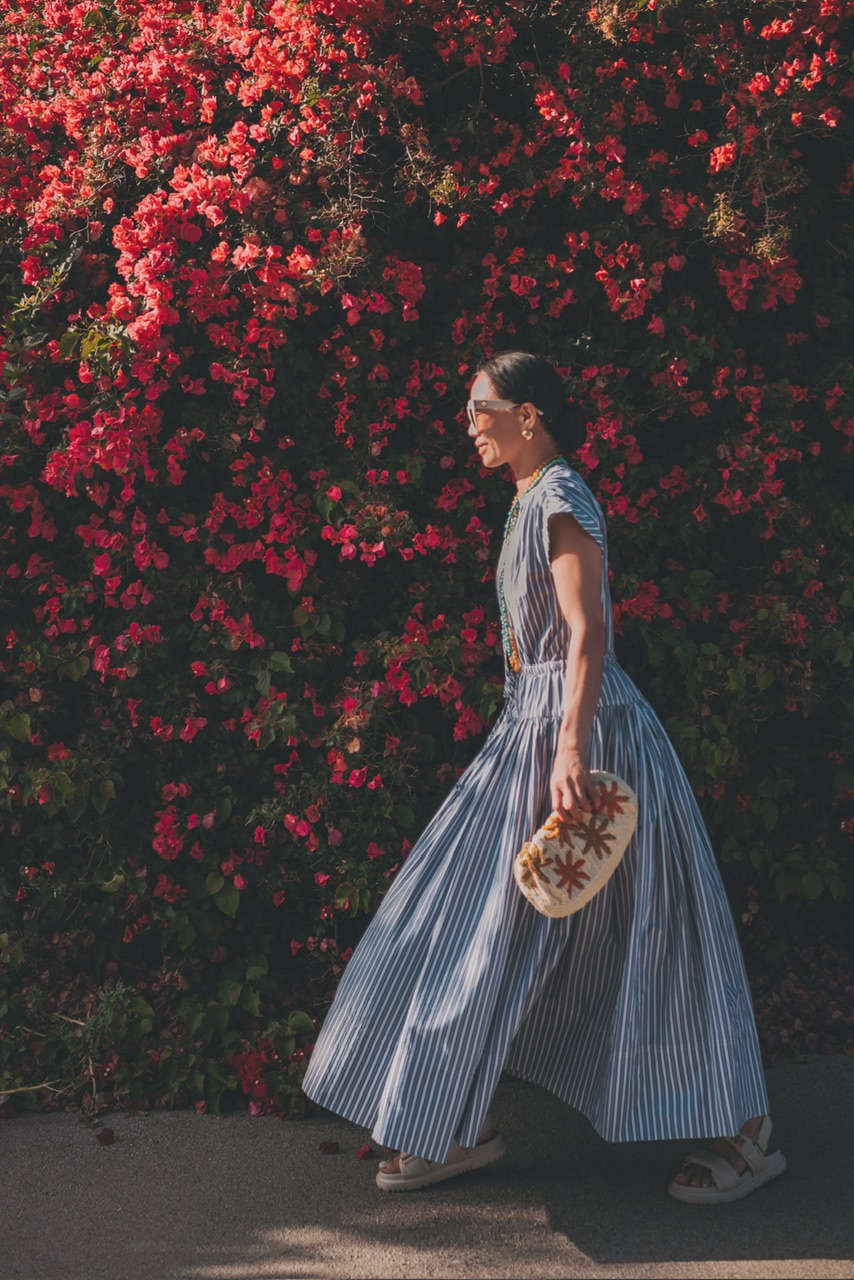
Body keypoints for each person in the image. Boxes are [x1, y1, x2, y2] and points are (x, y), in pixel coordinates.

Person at [301, 350, 787, 1204]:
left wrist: (570, 749)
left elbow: (586, 630)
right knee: (473, 921)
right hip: (534, 730)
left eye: (479, 408)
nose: (469, 425)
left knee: (656, 930)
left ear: (529, 415)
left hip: (589, 741)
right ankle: (451, 1120)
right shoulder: (533, 499)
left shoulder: (560, 497)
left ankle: (744, 1130)